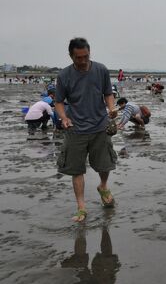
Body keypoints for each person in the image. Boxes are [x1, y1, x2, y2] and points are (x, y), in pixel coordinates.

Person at [54, 38, 118, 222]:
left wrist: (111, 108)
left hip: (100, 126)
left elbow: (108, 93)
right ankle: (81, 207)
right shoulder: (64, 75)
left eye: (86, 56)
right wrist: (64, 118)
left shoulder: (101, 70)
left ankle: (103, 186)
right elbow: (59, 102)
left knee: (105, 164)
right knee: (76, 170)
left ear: (90, 53)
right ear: (71, 56)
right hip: (76, 128)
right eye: (78, 58)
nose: (82, 61)